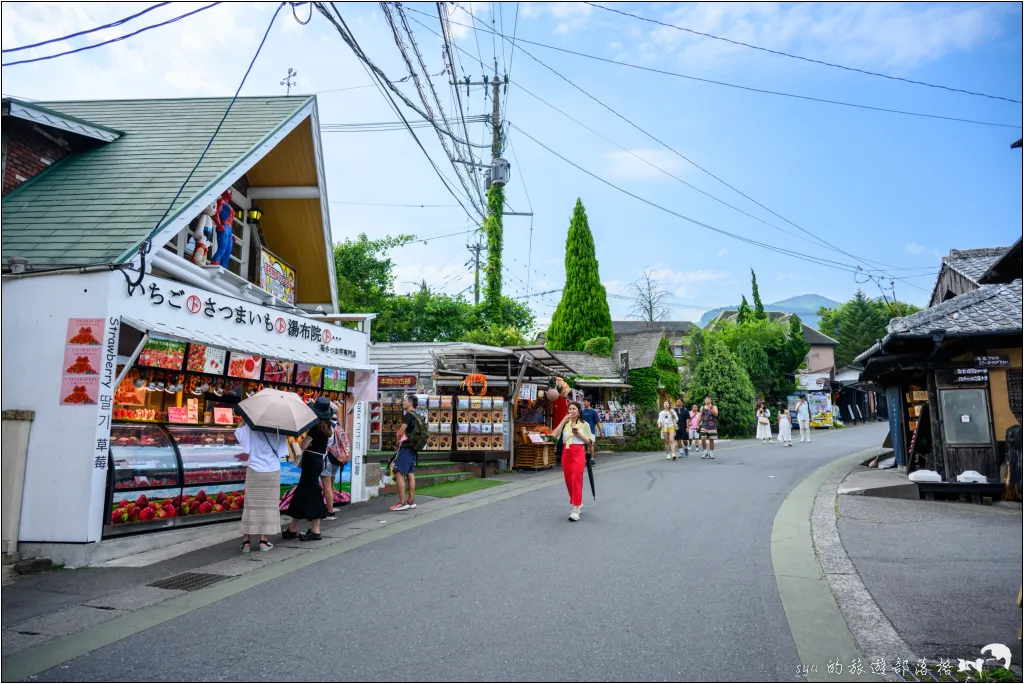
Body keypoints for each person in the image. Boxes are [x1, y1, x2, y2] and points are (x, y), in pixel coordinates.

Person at [283, 397, 332, 541]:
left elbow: (303, 446)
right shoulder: (327, 428)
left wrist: (303, 443)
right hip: (318, 461)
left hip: (310, 461)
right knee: (303, 492)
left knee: (312, 492)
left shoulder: (315, 428)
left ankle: (315, 529)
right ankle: (292, 528)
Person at [235, 422, 287, 553]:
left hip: (254, 468)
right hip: (272, 469)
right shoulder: (279, 427)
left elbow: (239, 437)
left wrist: (244, 420)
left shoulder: (250, 425)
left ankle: (246, 542)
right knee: (268, 506)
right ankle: (264, 541)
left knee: (250, 506)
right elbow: (282, 452)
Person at [552, 401, 594, 521]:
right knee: (568, 479)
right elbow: (554, 434)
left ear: (579, 411)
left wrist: (580, 435)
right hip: (566, 452)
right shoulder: (566, 424)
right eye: (570, 409)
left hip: (578, 452)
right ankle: (578, 502)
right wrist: (563, 421)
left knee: (576, 478)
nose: (571, 411)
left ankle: (576, 508)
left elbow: (590, 442)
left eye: (574, 409)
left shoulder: (584, 424)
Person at [390, 394, 420, 512]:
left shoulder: (408, 415)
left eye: (406, 400)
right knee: (410, 473)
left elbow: (401, 432)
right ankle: (411, 501)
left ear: (411, 403)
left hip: (406, 447)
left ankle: (402, 502)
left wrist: (397, 444)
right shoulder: (417, 415)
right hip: (413, 448)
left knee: (398, 472)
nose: (403, 402)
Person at [580, 396, 602, 465]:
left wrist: (601, 432)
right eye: (583, 401)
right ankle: (586, 459)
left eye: (585, 401)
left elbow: (597, 422)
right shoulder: (582, 411)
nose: (584, 403)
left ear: (589, 402)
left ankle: (592, 458)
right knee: (584, 445)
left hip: (591, 431)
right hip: (583, 431)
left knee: (591, 445)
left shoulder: (593, 412)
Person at [699, 395, 719, 459]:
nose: (707, 400)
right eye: (706, 399)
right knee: (703, 438)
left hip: (712, 426)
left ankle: (711, 452)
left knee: (711, 440)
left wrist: (711, 408)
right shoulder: (702, 407)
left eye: (708, 399)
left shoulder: (714, 407)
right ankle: (705, 451)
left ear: (711, 400)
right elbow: (700, 416)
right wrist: (697, 424)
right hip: (704, 425)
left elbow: (716, 414)